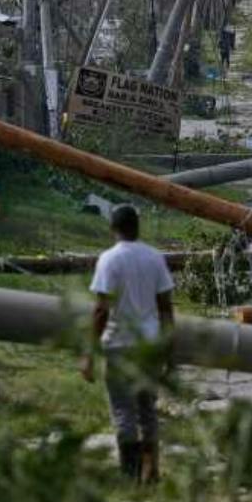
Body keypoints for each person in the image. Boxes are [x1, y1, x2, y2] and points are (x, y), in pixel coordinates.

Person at [83, 204, 175, 484]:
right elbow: (166, 309)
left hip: (119, 344)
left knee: (123, 410)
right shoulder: (154, 258)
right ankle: (151, 470)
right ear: (137, 227)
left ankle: (130, 474)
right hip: (148, 344)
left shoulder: (109, 259)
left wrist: (89, 353)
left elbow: (101, 310)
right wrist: (169, 352)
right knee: (147, 409)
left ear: (113, 228)